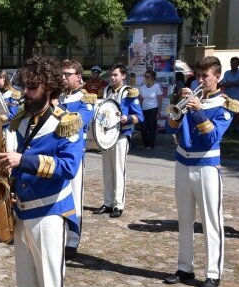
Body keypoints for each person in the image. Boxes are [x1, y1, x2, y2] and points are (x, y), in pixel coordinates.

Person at [0, 55, 81, 287]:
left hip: (50, 211)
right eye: (23, 87)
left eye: (32, 87)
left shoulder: (67, 121)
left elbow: (69, 168)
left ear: (50, 87)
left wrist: (24, 162)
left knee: (50, 281)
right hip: (22, 209)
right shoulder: (21, 120)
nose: (25, 93)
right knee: (27, 282)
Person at [163, 56, 239, 287]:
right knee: (184, 219)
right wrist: (180, 106)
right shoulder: (191, 99)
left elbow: (211, 138)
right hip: (182, 163)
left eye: (206, 76)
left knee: (210, 221)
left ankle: (213, 274)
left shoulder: (225, 105)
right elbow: (170, 127)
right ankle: (184, 267)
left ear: (217, 77)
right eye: (199, 75)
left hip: (206, 166)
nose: (201, 80)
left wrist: (197, 112)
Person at [94, 63, 143, 218]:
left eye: (116, 75)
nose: (113, 78)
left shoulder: (129, 92)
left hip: (121, 135)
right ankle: (107, 202)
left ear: (123, 76)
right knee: (107, 170)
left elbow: (139, 117)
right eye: (111, 75)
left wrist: (126, 118)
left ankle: (118, 204)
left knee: (119, 171)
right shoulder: (107, 90)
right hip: (107, 135)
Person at [58, 59, 95, 258]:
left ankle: (73, 239)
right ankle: (58, 235)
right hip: (54, 154)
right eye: (61, 74)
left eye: (67, 74)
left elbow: (77, 123)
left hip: (73, 154)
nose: (63, 77)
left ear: (78, 77)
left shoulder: (86, 99)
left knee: (74, 196)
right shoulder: (57, 97)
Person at [138, 69, 163, 149]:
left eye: (147, 77)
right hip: (144, 109)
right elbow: (140, 99)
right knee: (144, 128)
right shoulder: (143, 87)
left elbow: (160, 100)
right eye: (145, 76)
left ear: (152, 78)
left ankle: (150, 145)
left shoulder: (156, 87)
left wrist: (159, 112)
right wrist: (139, 111)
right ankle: (145, 144)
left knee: (152, 128)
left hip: (153, 109)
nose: (146, 78)